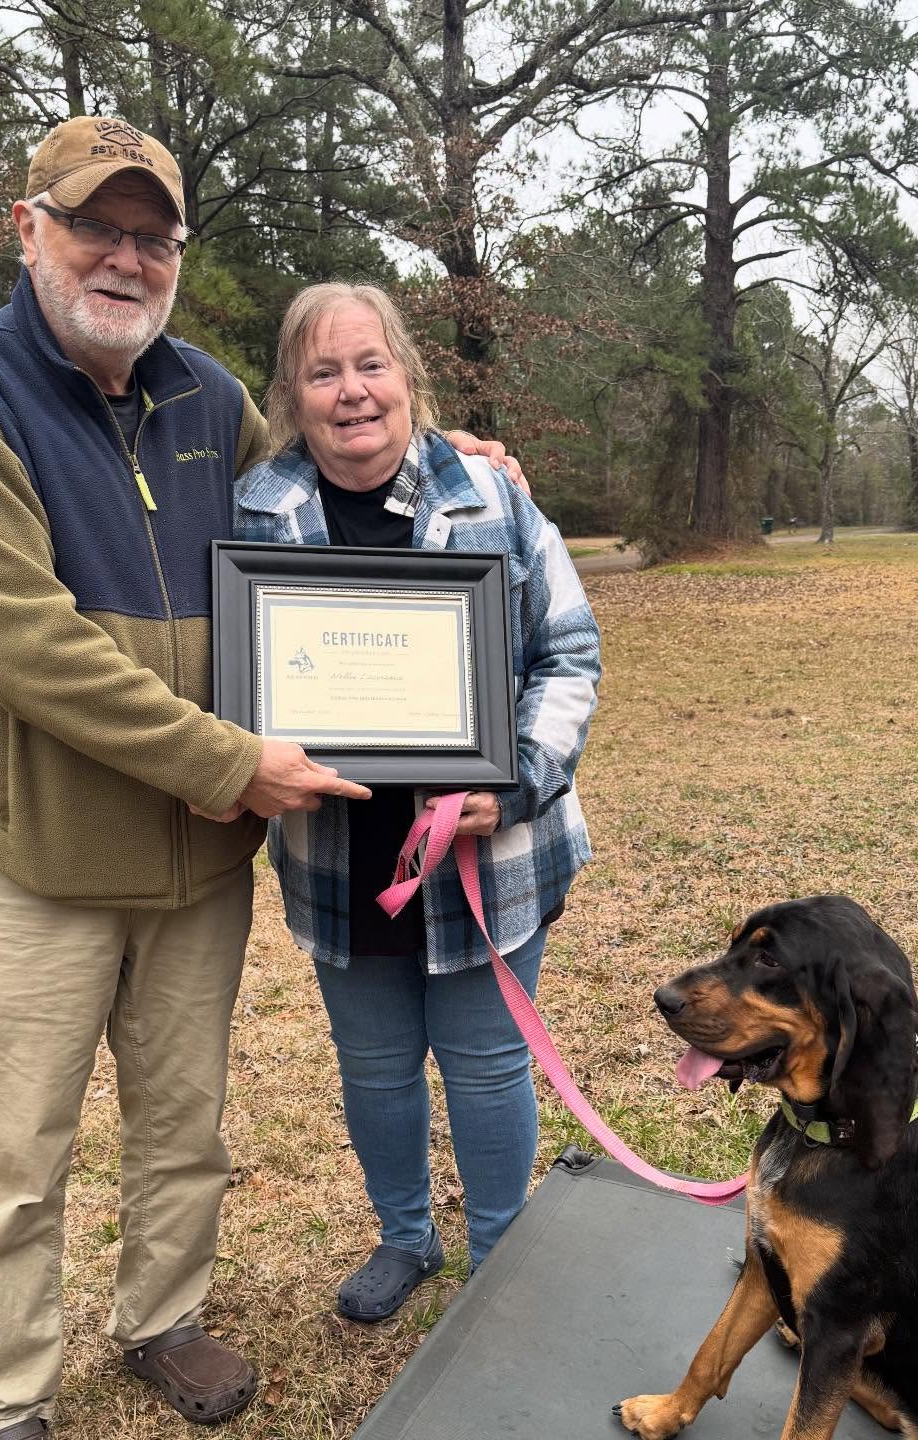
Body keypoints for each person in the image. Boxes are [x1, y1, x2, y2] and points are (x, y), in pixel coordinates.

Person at [0, 117, 518, 1440]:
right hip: (35, 863)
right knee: (17, 1161)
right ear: (29, 230)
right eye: (94, 227)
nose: (123, 257)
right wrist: (232, 759)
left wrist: (450, 462)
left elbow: (317, 525)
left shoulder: (210, 397)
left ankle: (162, 1319)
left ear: (175, 254)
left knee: (184, 1128)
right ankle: (9, 1403)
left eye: (150, 236)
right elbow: (28, 644)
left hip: (195, 869)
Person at [232, 283, 600, 1321]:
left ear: (407, 377)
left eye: (370, 365)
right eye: (323, 372)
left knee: (486, 1065)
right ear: (293, 395)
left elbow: (569, 653)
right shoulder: (256, 510)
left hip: (488, 852)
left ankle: (498, 1266)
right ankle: (405, 1237)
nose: (351, 392)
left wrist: (514, 775)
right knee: (377, 1065)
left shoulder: (495, 498)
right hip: (340, 855)